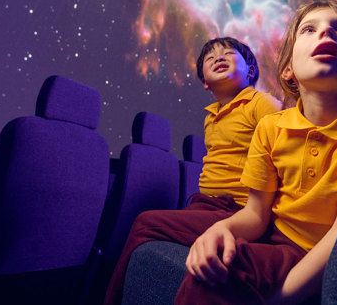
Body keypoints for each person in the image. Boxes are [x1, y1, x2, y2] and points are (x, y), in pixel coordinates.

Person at [181, 0, 337, 304]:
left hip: (334, 258)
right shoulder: (271, 127)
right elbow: (256, 214)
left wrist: (279, 299)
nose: (325, 34)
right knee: (214, 266)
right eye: (309, 29)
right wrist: (221, 229)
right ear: (288, 71)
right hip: (275, 241)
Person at [103, 37, 281, 305]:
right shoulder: (211, 116)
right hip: (205, 205)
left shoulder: (261, 103)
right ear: (205, 83)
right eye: (210, 58)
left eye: (228, 54)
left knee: (145, 222)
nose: (218, 58)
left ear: (251, 71)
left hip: (237, 209)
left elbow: (282, 151)